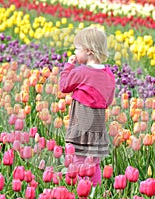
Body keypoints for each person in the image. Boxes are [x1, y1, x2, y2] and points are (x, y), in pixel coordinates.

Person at [59, 27, 116, 187]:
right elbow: (108, 100)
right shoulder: (108, 74)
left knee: (77, 159)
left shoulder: (82, 71)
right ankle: (94, 190)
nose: (75, 52)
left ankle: (78, 190)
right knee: (94, 162)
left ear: (89, 51)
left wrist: (68, 67)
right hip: (97, 127)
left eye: (78, 48)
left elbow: (63, 86)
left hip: (80, 126)